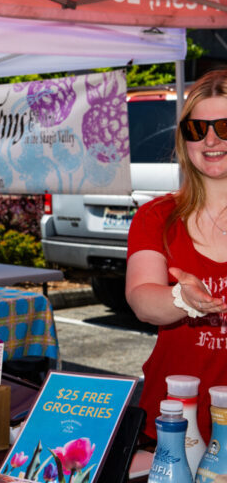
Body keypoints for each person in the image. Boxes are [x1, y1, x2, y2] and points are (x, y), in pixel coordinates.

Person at [126, 69, 227, 446]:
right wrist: (180, 298)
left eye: (224, 126)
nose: (212, 139)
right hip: (171, 428)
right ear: (185, 140)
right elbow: (141, 296)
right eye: (197, 129)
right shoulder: (157, 216)